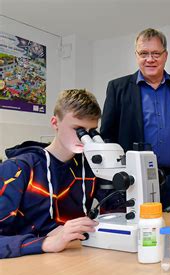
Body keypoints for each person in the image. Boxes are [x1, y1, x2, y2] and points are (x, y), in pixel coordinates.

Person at [100, 28, 170, 208]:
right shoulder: (118, 88)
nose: (150, 59)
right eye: (144, 53)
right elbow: (107, 136)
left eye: (156, 53)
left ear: (165, 55)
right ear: (136, 55)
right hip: (133, 181)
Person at [0, 89, 102, 258]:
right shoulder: (18, 169)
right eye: (78, 129)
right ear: (55, 123)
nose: (85, 138)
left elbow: (118, 210)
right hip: (26, 266)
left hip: (72, 259)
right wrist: (47, 243)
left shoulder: (89, 167)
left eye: (91, 131)